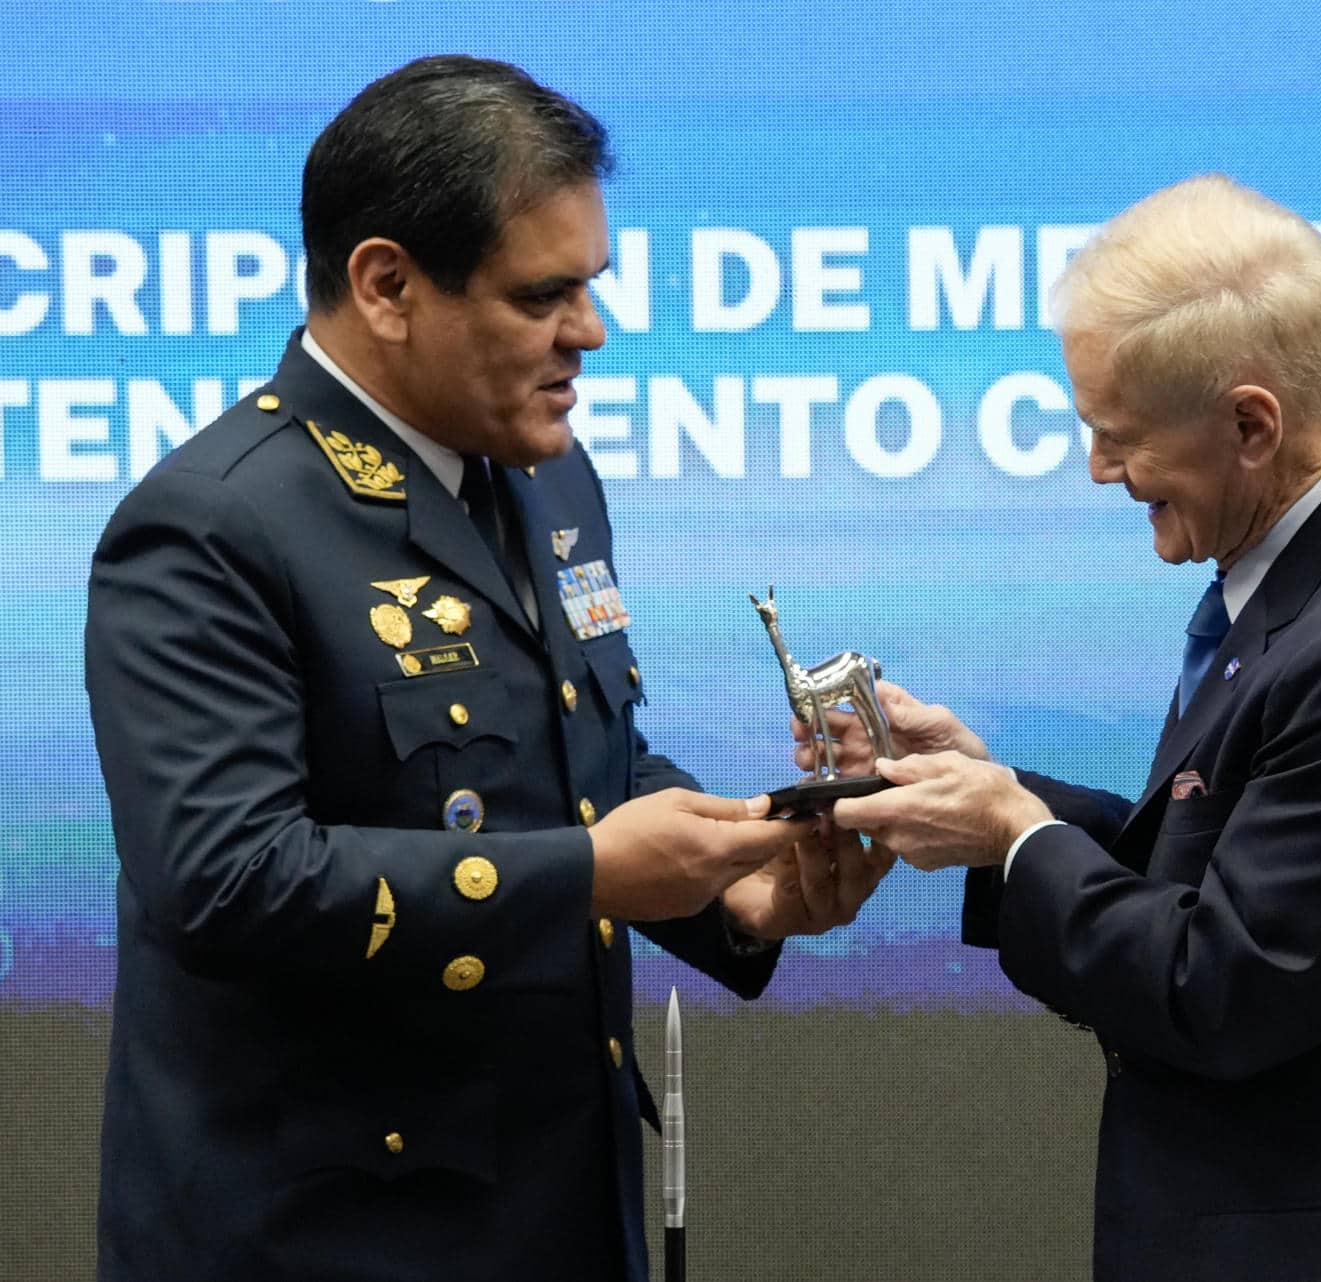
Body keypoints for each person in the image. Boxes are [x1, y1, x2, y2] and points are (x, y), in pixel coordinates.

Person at [83, 55, 889, 1282]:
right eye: (542, 296)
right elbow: (225, 880)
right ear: (388, 285)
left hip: (559, 1211)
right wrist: (588, 875)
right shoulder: (211, 524)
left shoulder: (546, 472)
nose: (592, 332)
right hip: (327, 1240)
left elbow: (575, 760)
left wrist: (739, 886)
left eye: (592, 287)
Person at [825, 175, 1321, 1281]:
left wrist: (1019, 838)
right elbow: (1230, 864)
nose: (1100, 471)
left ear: (1251, 424)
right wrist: (988, 792)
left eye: (1116, 437)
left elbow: (1220, 982)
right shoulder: (1311, 577)